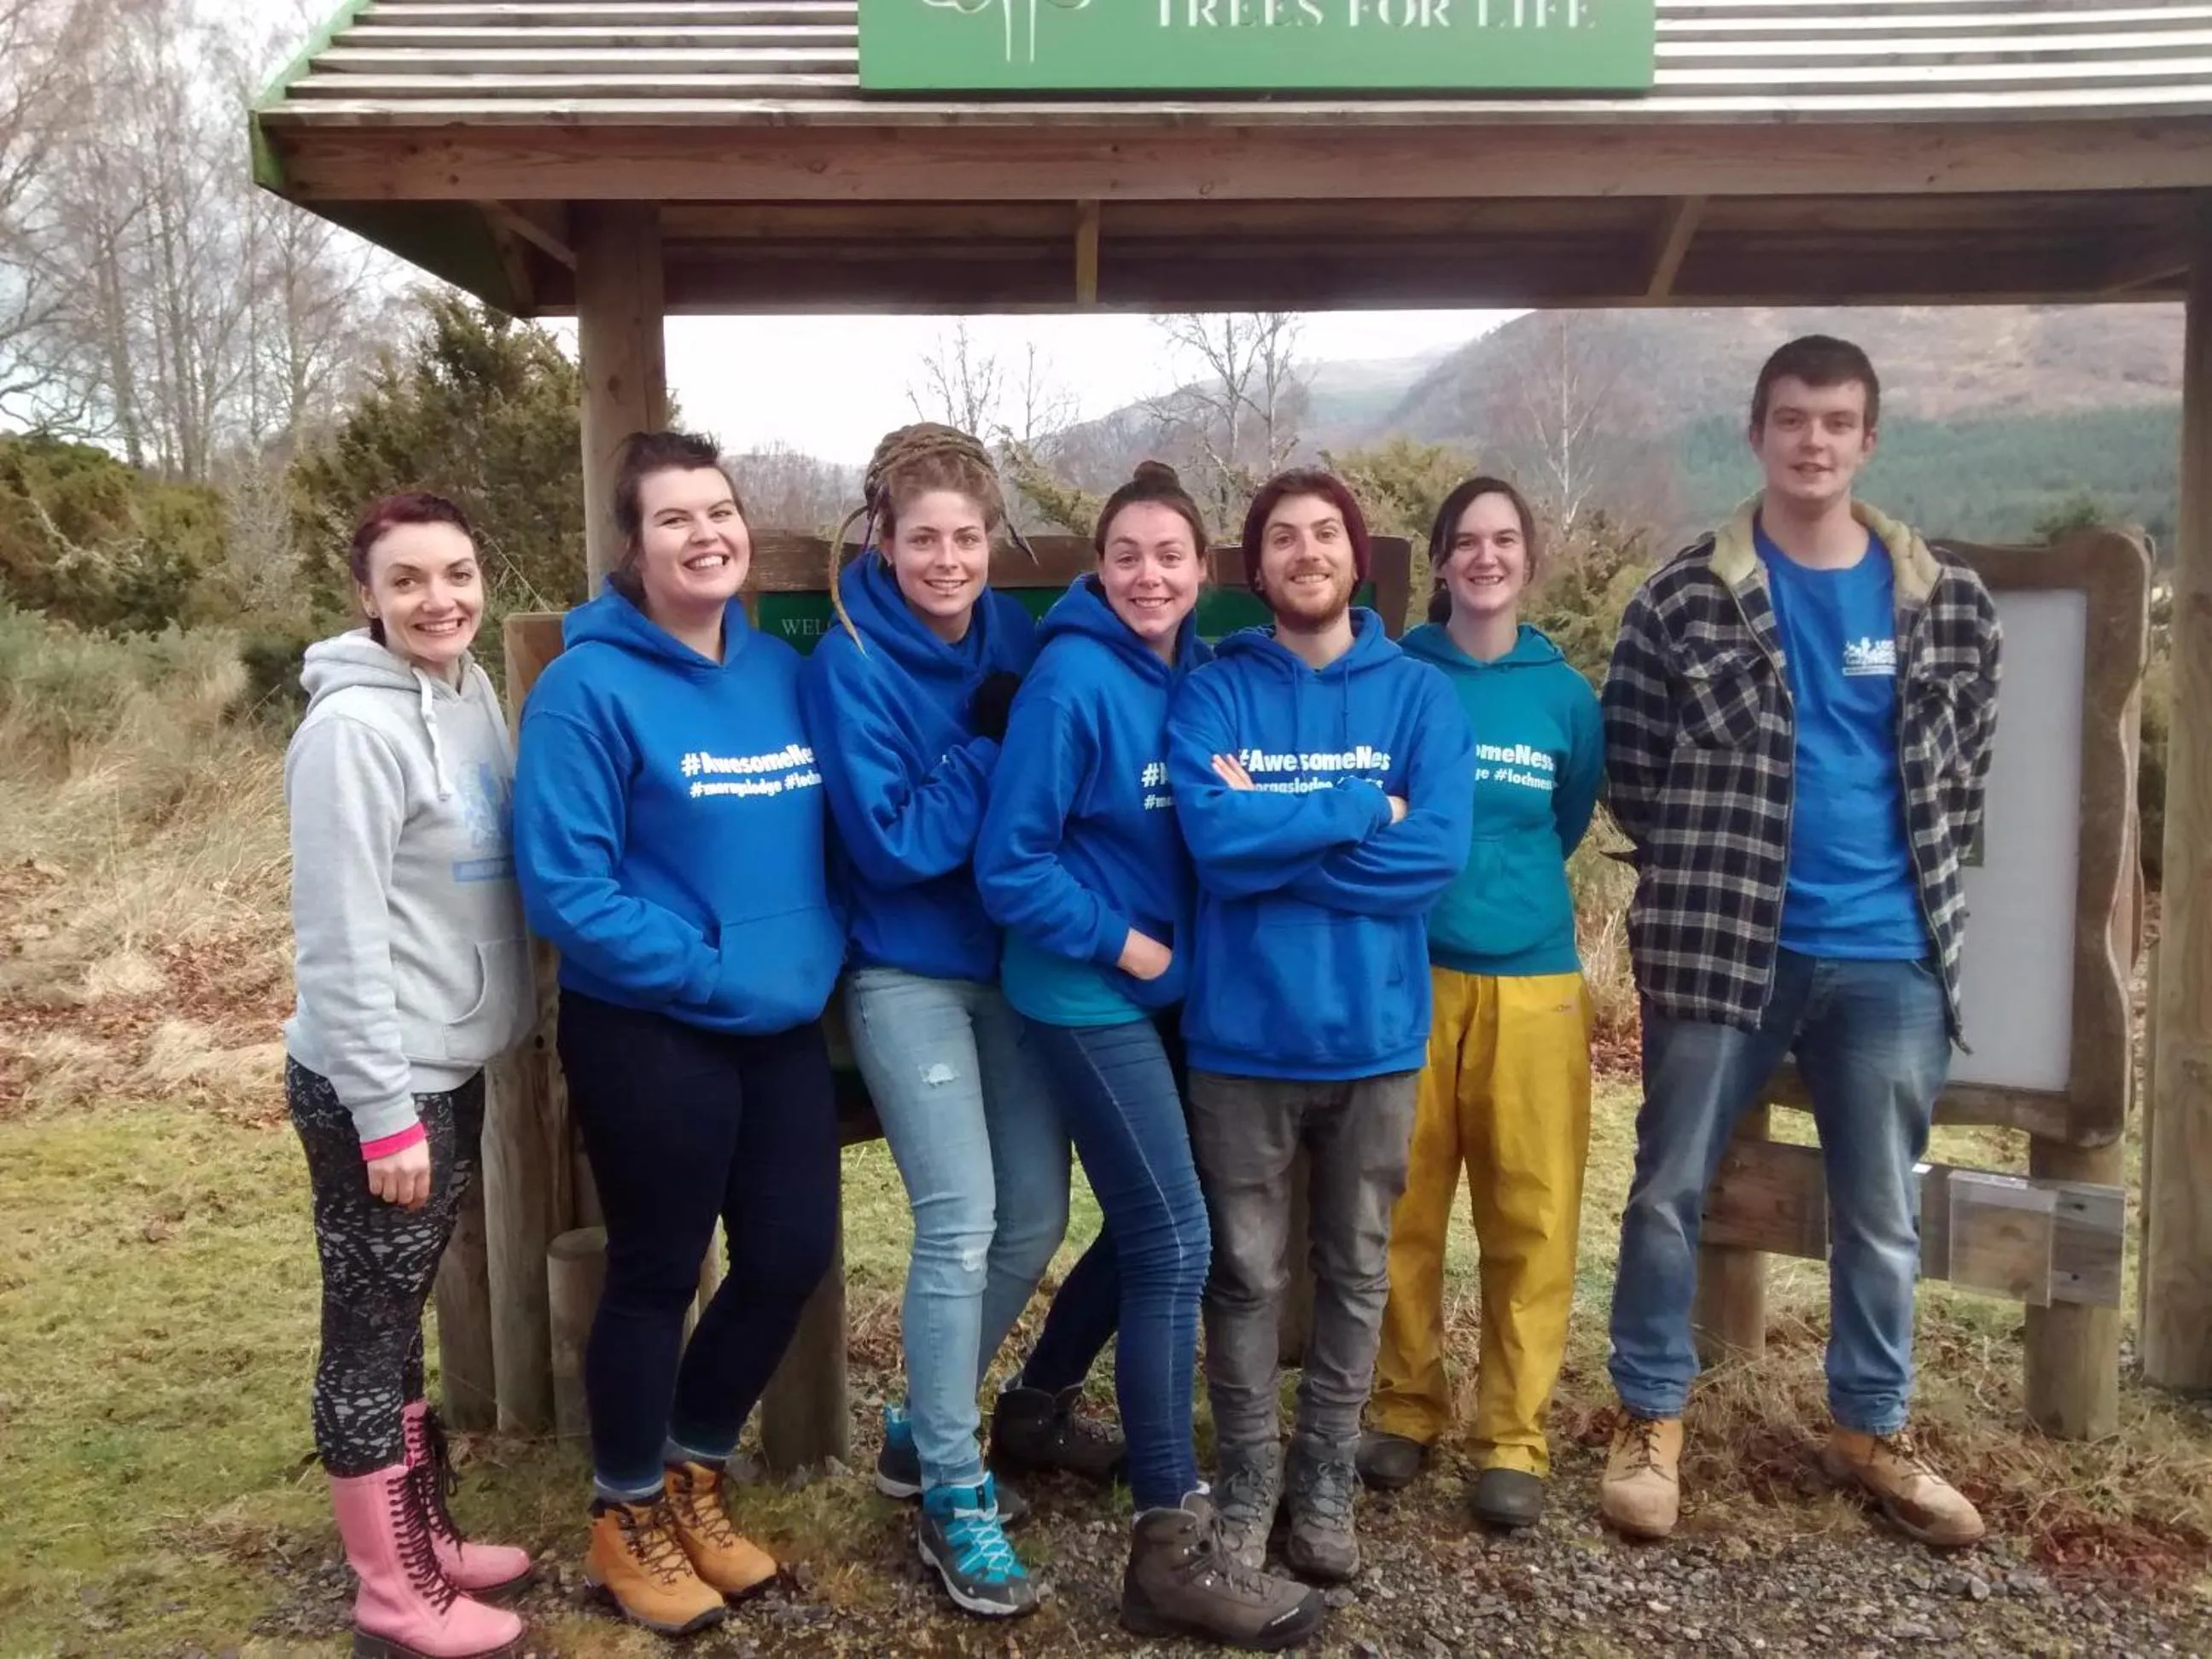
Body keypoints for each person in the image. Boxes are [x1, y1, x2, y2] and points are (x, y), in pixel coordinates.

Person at [1598, 336, 2001, 1549]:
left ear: (1868, 439)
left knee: (1883, 1212)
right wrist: (1715, 871)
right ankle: (1650, 1416)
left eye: (1835, 421)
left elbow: (1962, 775)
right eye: (1790, 419)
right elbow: (1633, 766)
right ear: (1758, 433)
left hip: (1889, 958)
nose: (1812, 440)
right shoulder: (1683, 597)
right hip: (1726, 949)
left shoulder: (1949, 602)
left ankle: (1872, 1426)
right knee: (1667, 1191)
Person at [975, 462, 1325, 1650]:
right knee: (1178, 1237)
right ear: (1099, 565)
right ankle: (1169, 1547)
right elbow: (1009, 865)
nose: (1148, 575)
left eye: (1170, 555)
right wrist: (1131, 951)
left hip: (1164, 990)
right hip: (1085, 990)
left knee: (1147, 1230)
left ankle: (1035, 1411)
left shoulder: (1193, 675)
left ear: (1203, 570)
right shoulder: (1073, 680)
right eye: (1126, 554)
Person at [513, 431, 845, 1636]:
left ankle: (695, 1471)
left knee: (788, 1256)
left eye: (720, 510)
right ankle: (624, 1512)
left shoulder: (777, 677)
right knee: (657, 1270)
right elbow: (569, 891)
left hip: (781, 1023)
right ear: (630, 547)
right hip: (653, 1026)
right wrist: (710, 968)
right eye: (673, 519)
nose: (705, 533)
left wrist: (804, 957)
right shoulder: (585, 689)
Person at [800, 423, 1121, 1621]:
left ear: (994, 542)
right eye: (922, 538)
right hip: (906, 972)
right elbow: (896, 843)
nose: (946, 559)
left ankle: (913, 1426)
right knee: (961, 1218)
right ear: (880, 540)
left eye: (967, 538)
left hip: (1011, 967)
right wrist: (994, 745)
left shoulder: (1017, 638)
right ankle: (950, 1482)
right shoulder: (849, 663)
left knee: (1036, 1213)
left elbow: (1057, 792)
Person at [1168, 469, 1475, 1581]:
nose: (1307, 551)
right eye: (1284, 539)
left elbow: (1433, 855)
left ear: (1358, 557)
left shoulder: (1419, 697)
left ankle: (1327, 1475)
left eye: (1326, 534)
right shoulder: (1213, 691)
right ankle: (1248, 1477)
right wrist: (1359, 810)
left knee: (1353, 1272)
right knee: (1243, 1277)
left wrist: (1278, 839)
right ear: (1256, 570)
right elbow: (1213, 844)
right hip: (1241, 1040)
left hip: (1377, 1039)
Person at [284, 492, 536, 1659]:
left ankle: (423, 1538)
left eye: (459, 573)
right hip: (377, 1081)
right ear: (366, 598)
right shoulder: (350, 732)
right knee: (367, 1333)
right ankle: (391, 1593)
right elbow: (339, 944)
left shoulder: (465, 689)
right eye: (409, 582)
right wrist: (386, 1117)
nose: (440, 600)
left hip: (450, 1053)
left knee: (402, 1322)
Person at [1359, 477, 1604, 1532]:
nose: (1486, 558)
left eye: (1505, 541)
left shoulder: (1565, 696)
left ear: (1528, 556)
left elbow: (1571, 812)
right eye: (1468, 542)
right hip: (1409, 969)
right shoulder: (1401, 672)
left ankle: (1512, 1433)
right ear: (1443, 559)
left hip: (1536, 981)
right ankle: (1405, 1405)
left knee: (1531, 1214)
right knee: (1398, 1204)